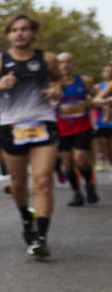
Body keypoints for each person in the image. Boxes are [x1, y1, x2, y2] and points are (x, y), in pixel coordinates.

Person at [0, 14, 60, 257]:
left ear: (33, 33)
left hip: (43, 123)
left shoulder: (47, 59)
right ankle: (25, 217)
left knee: (42, 181)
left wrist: (56, 90)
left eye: (24, 29)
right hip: (12, 127)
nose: (19, 33)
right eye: (14, 30)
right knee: (19, 184)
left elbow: (58, 80)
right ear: (9, 35)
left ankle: (41, 237)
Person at [52, 52, 99, 206]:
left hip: (82, 127)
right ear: (57, 65)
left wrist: (90, 103)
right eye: (61, 62)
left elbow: (98, 99)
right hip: (61, 128)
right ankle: (77, 193)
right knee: (67, 163)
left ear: (74, 63)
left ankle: (89, 184)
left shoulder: (84, 81)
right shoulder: (53, 84)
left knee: (80, 159)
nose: (65, 65)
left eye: (68, 61)